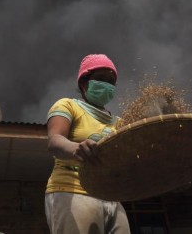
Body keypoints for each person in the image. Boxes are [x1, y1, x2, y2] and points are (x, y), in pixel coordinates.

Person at [45, 54, 130, 234]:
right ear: (84, 83)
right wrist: (76, 148)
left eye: (110, 81)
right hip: (72, 189)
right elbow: (54, 140)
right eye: (100, 79)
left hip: (111, 197)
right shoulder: (68, 105)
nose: (106, 84)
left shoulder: (120, 122)